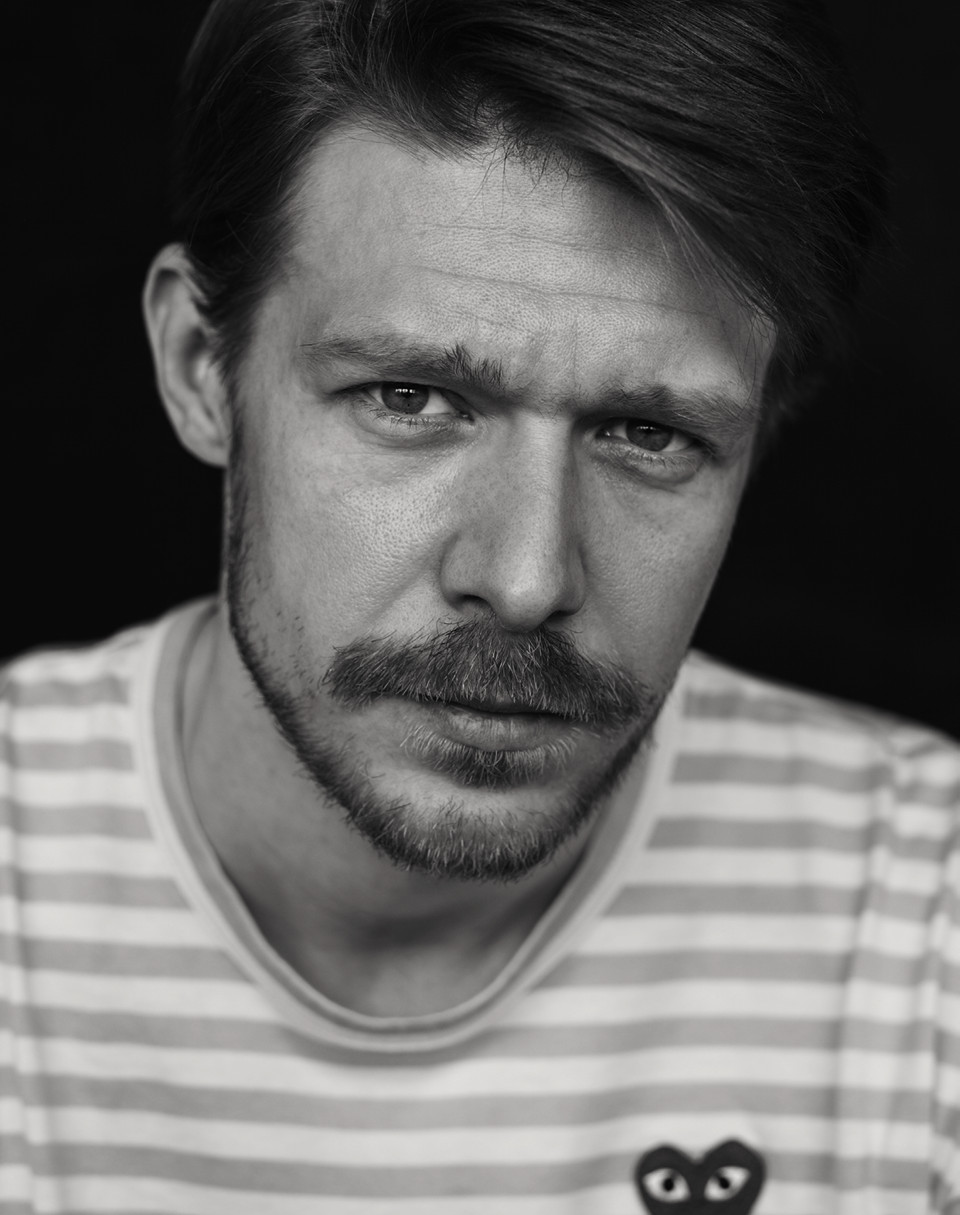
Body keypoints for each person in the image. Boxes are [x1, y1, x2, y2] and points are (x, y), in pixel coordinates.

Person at [0, 0, 956, 1210]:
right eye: (410, 398)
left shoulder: (925, 916)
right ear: (201, 368)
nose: (525, 578)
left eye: (647, 433)